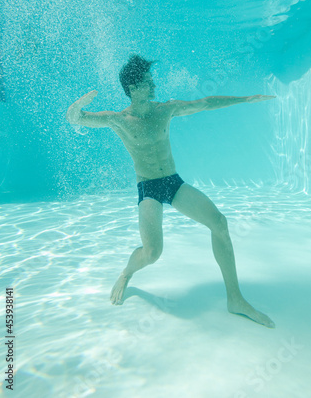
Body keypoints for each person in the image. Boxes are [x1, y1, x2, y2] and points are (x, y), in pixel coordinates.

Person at [66, 54, 276, 328]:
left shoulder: (165, 109)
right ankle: (127, 273)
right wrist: (77, 106)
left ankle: (235, 298)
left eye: (152, 81)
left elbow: (204, 104)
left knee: (219, 223)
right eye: (148, 82)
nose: (154, 86)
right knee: (152, 253)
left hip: (173, 182)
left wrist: (244, 100)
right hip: (149, 188)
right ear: (133, 88)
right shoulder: (118, 120)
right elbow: (76, 119)